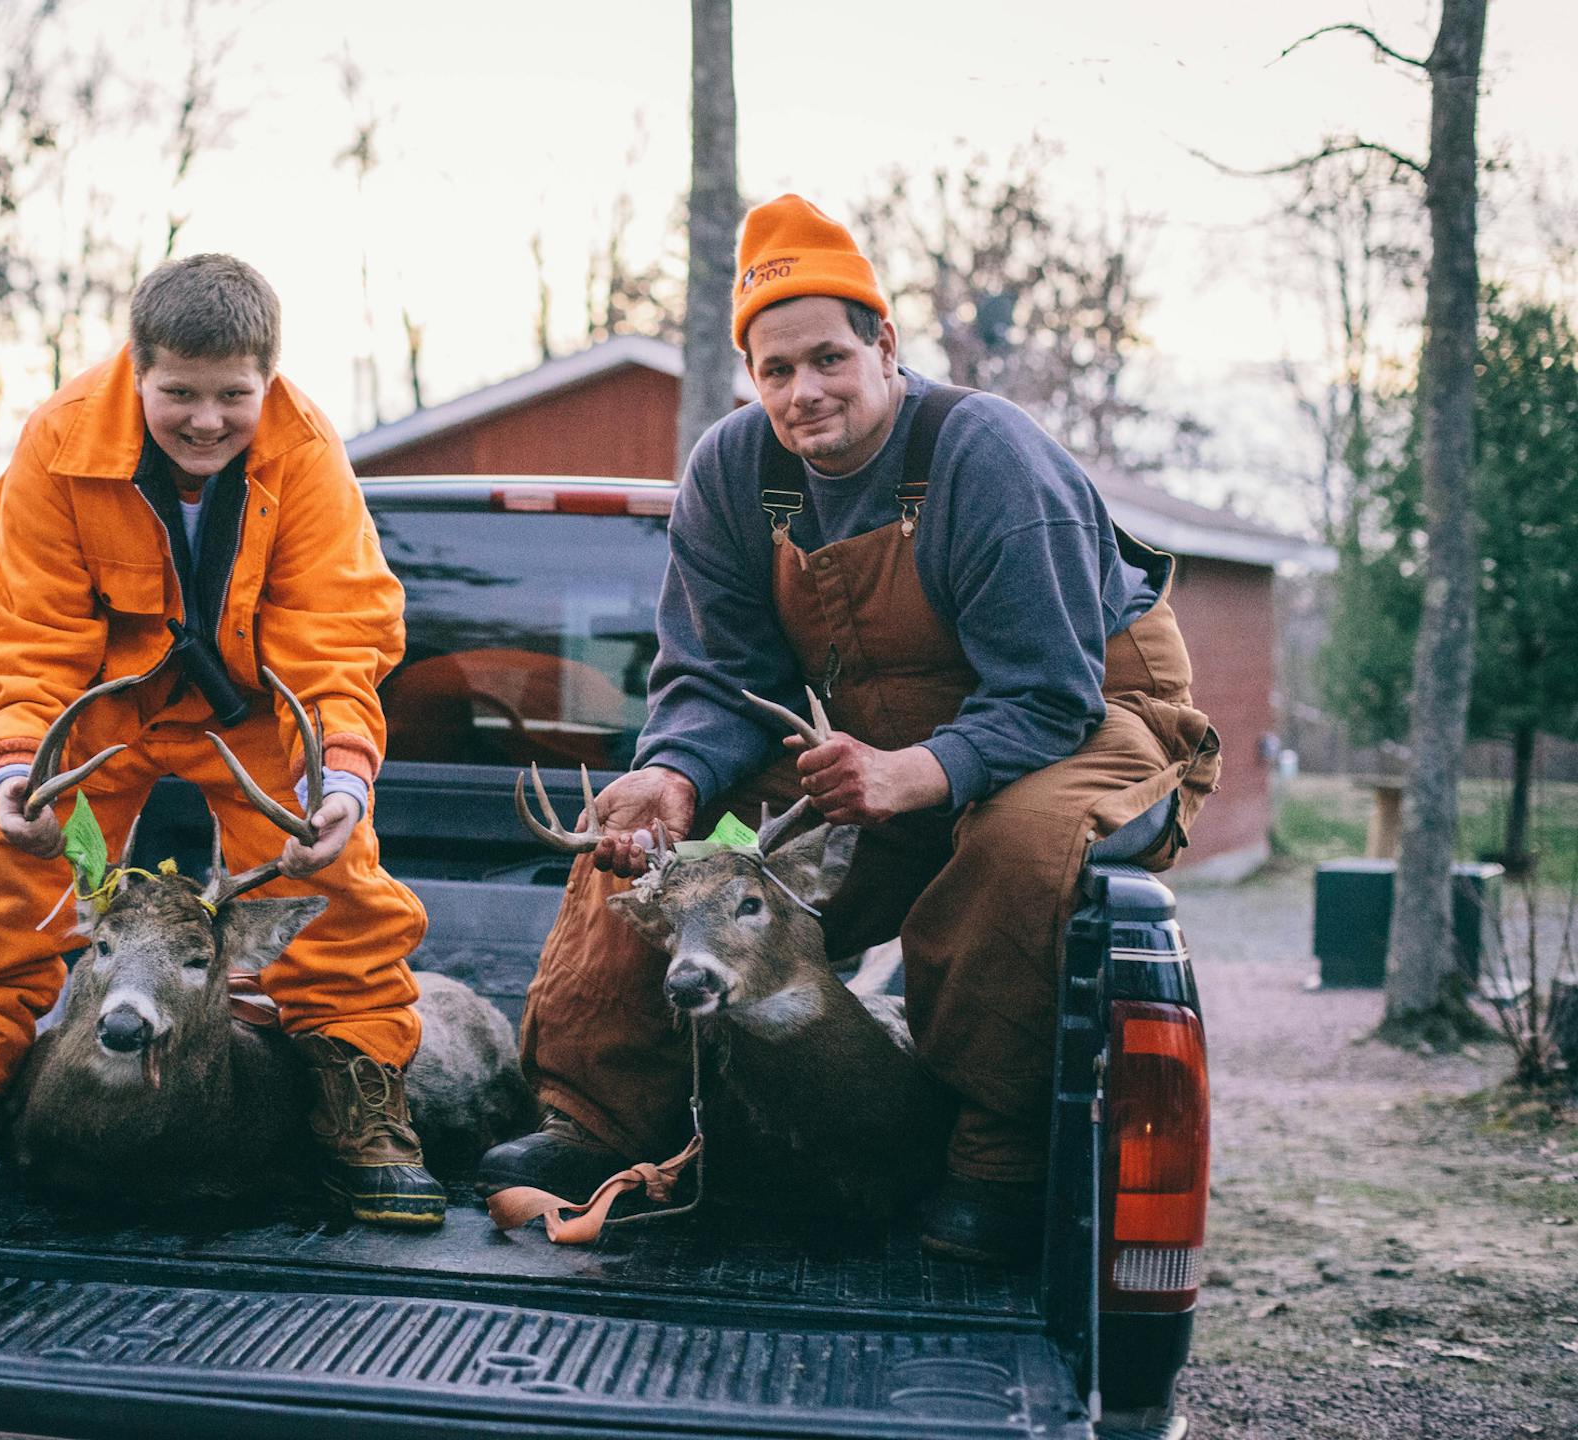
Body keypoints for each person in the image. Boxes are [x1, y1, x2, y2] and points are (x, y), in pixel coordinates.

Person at [478, 195, 1221, 1265]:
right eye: (775, 370)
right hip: (874, 746)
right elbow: (717, 675)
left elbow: (1050, 694)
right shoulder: (734, 472)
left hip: (1089, 717)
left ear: (884, 345)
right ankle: (596, 1118)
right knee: (649, 844)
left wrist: (917, 773)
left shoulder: (987, 456)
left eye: (828, 358)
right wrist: (677, 775)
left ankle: (995, 1157)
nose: (804, 391)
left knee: (1019, 846)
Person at [0, 253, 445, 1229]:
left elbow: (336, 629)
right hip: (98, 715)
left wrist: (339, 778)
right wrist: (19, 769)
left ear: (269, 379)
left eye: (233, 396)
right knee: (1, 858)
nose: (206, 420)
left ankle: (359, 1102)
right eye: (179, 393)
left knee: (332, 883)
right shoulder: (61, 445)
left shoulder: (304, 453)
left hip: (254, 719)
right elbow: (18, 629)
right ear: (136, 370)